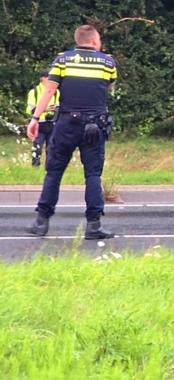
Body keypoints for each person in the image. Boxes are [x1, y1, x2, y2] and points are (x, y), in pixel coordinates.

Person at [25, 25, 117, 239]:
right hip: (94, 126)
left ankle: (41, 222)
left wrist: (35, 118)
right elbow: (109, 86)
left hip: (66, 124)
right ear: (94, 41)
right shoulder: (108, 62)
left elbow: (49, 89)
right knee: (93, 175)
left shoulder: (62, 60)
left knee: (54, 172)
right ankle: (93, 226)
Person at [25, 70, 59, 167]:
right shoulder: (34, 92)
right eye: (49, 78)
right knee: (37, 148)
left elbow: (58, 107)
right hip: (39, 124)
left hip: (51, 123)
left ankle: (49, 167)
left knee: (51, 148)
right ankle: (35, 167)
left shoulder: (56, 92)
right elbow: (30, 110)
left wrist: (54, 110)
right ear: (42, 78)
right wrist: (44, 109)